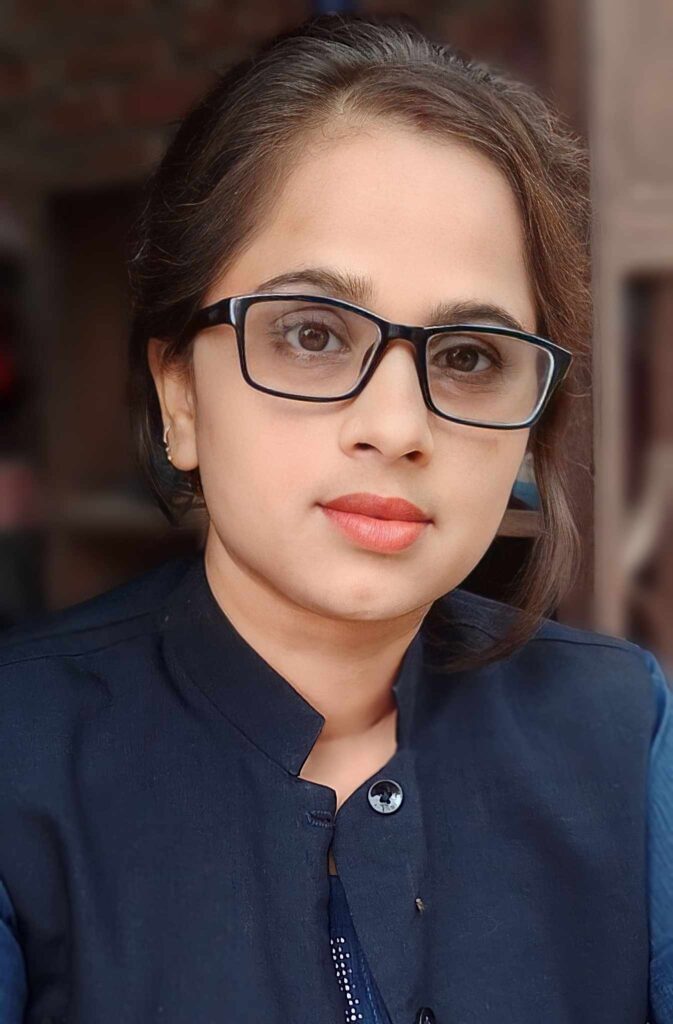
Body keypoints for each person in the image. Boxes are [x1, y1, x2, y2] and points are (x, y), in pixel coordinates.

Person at [0, 12, 671, 1024]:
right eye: (312, 334)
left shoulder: (620, 726)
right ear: (180, 396)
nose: (396, 427)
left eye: (468, 356)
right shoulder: (21, 755)